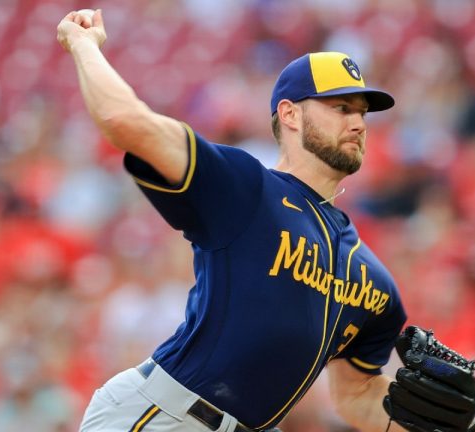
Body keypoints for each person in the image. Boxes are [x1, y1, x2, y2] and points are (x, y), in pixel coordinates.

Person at [57, 9, 447, 432]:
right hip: (169, 417)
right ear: (291, 114)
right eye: (340, 107)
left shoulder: (373, 282)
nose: (357, 122)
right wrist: (84, 45)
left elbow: (356, 397)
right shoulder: (245, 187)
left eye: (362, 113)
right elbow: (125, 121)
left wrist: (434, 422)